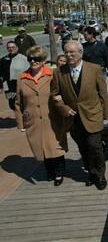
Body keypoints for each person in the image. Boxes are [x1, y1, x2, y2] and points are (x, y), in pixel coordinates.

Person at [51, 41, 108, 190]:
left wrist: (105, 114)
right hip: (73, 119)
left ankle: (100, 174)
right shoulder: (59, 72)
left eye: (72, 52)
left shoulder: (94, 69)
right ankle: (91, 172)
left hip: (93, 115)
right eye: (66, 52)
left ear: (80, 53)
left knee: (94, 146)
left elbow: (103, 93)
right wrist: (63, 108)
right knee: (83, 147)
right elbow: (55, 95)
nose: (69, 55)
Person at [15, 46, 67, 186]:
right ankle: (49, 171)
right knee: (41, 148)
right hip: (33, 120)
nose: (33, 61)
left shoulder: (52, 74)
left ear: (43, 60)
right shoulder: (22, 78)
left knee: (55, 147)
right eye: (30, 59)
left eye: (36, 59)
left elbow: (62, 93)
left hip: (52, 118)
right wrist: (20, 123)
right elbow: (18, 103)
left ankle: (59, 173)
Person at [0, 41, 30, 110]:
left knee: (24, 105)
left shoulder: (24, 59)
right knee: (12, 105)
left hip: (22, 85)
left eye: (13, 47)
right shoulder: (3, 60)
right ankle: (18, 119)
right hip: (9, 87)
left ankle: (24, 119)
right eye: (9, 47)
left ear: (17, 48)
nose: (11, 49)